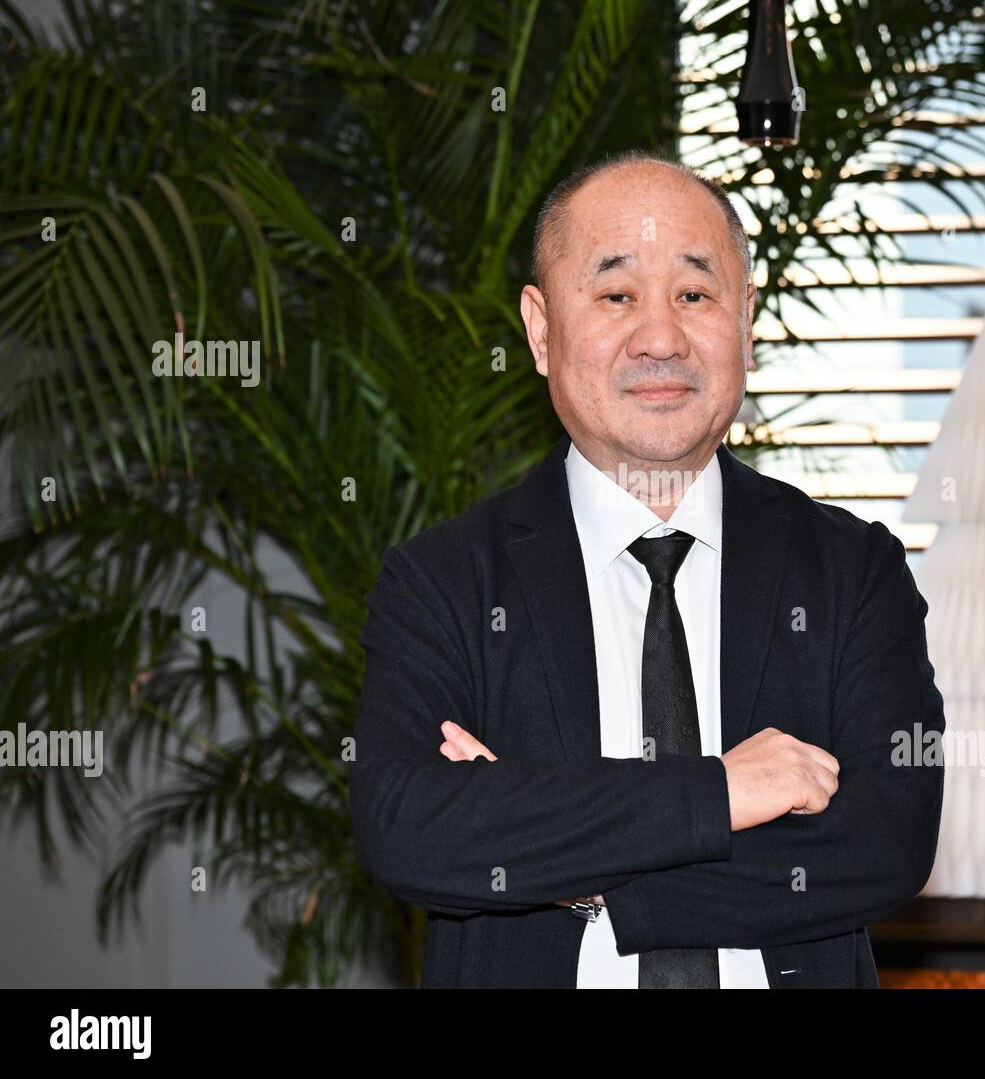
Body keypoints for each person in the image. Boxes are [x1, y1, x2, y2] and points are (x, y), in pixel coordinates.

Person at [348, 150, 946, 988]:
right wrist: (722, 795)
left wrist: (577, 871)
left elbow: (885, 844)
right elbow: (408, 828)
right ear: (542, 329)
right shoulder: (442, 581)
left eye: (695, 295)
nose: (660, 338)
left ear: (745, 321)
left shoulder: (853, 571)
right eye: (616, 295)